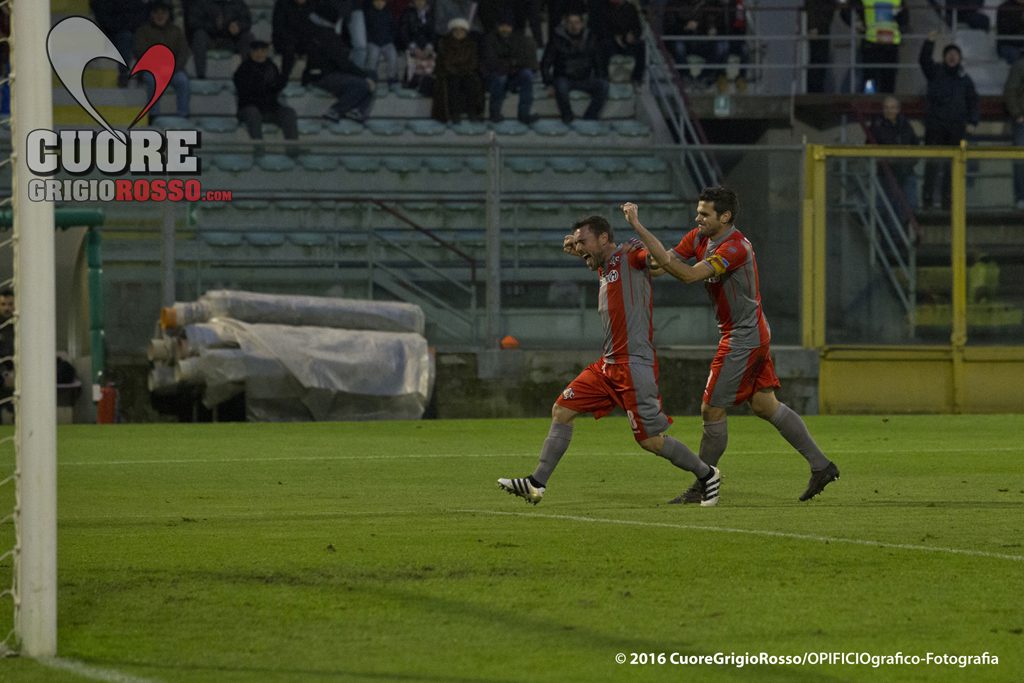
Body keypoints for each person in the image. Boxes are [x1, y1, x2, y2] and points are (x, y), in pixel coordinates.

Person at [622, 188, 840, 504]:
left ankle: (703, 484)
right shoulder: (699, 237)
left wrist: (639, 227)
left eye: (704, 214)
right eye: (698, 212)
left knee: (711, 409)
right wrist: (627, 257)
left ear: (724, 217)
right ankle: (822, 466)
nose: (697, 218)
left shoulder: (735, 247)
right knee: (765, 405)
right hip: (749, 332)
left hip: (743, 336)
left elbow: (688, 275)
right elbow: (660, 265)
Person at [497, 216, 721, 506]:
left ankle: (707, 475)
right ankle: (536, 483)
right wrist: (581, 250)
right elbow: (599, 259)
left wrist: (637, 224)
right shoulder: (605, 264)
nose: (578, 247)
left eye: (583, 241)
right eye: (577, 242)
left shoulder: (630, 253)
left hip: (634, 365)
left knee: (651, 441)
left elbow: (659, 260)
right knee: (562, 409)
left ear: (604, 238)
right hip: (607, 365)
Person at [919, 32, 978, 210]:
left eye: (955, 54)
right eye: (949, 54)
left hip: (956, 129)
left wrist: (973, 121)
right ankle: (927, 200)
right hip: (935, 127)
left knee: (953, 167)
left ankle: (948, 200)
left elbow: (973, 101)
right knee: (932, 164)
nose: (952, 57)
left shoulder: (965, 79)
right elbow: (923, 60)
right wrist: (929, 42)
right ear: (944, 57)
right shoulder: (935, 72)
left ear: (959, 58)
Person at [303, 0, 377, 122]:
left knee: (372, 75)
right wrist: (364, 77)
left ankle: (357, 111)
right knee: (364, 84)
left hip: (333, 72)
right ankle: (335, 110)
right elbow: (344, 64)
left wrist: (365, 76)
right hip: (324, 76)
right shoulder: (327, 36)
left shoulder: (327, 33)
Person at [541, 13, 609, 123]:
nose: (574, 26)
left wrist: (601, 76)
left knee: (604, 85)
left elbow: (598, 62)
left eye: (577, 22)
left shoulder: (590, 38)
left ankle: (590, 118)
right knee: (560, 87)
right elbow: (545, 63)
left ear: (582, 24)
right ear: (565, 25)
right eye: (570, 23)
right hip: (564, 77)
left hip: (585, 78)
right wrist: (548, 83)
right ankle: (568, 117)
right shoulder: (556, 39)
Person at [134, 1, 192, 119]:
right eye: (156, 13)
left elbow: (183, 52)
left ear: (168, 14)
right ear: (151, 14)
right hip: (151, 70)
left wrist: (173, 68)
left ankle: (183, 115)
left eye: (163, 13)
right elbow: (140, 52)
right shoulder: (143, 31)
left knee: (183, 81)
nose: (160, 16)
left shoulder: (176, 31)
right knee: (152, 81)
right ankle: (154, 115)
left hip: (174, 70)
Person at [233, 40, 299, 143]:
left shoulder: (272, 67)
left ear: (267, 52)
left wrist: (283, 78)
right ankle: (259, 148)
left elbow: (276, 89)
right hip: (249, 108)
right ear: (251, 52)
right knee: (253, 113)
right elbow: (245, 93)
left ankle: (293, 148)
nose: (259, 54)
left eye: (263, 51)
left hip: (270, 108)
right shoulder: (243, 69)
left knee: (289, 113)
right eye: (256, 50)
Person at [868, 95, 919, 223]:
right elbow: (869, 147)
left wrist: (909, 163)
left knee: (911, 204)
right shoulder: (876, 126)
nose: (889, 110)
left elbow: (916, 146)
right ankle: (894, 232)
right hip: (886, 173)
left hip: (906, 171)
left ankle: (901, 228)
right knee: (887, 208)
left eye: (892, 107)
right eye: (886, 107)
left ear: (898, 109)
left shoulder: (906, 125)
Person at [481, 12, 539, 123]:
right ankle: (495, 113)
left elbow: (524, 60)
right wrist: (512, 63)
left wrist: (511, 64)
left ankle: (524, 114)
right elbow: (491, 62)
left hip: (513, 74)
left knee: (527, 75)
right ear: (497, 26)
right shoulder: (489, 39)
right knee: (500, 78)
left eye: (508, 26)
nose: (505, 29)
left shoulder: (519, 39)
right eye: (502, 26)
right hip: (494, 76)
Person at [431, 18, 484, 122]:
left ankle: (472, 112)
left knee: (473, 82)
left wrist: (464, 70)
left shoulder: (471, 44)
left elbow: (473, 62)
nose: (459, 33)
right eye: (456, 30)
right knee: (454, 82)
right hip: (449, 72)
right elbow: (445, 62)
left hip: (466, 71)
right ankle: (455, 113)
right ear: (452, 31)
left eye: (462, 30)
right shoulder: (444, 43)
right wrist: (455, 71)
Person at [190, 0, 254, 80]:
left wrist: (239, 26)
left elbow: (247, 20)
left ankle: (249, 75)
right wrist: (213, 27)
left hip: (231, 40)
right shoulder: (202, 3)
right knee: (199, 35)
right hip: (210, 39)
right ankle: (200, 76)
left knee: (247, 36)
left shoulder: (237, 3)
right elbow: (193, 22)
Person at [397, 0, 436, 89]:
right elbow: (404, 32)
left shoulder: (430, 13)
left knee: (431, 59)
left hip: (426, 45)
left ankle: (426, 84)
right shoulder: (407, 13)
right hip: (412, 44)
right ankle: (412, 82)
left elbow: (433, 33)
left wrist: (429, 46)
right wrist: (413, 47)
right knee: (413, 60)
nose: (420, 2)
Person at [272, 0, 314, 80]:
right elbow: (278, 27)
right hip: (285, 39)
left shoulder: (313, 4)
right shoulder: (282, 4)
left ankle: (310, 77)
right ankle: (284, 77)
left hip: (305, 39)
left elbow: (314, 26)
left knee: (316, 45)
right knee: (289, 48)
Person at [364, 0, 400, 86]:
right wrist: (369, 40)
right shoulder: (368, 13)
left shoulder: (389, 12)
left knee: (393, 57)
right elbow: (365, 30)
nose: (380, 3)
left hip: (387, 42)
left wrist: (391, 39)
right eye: (377, 1)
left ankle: (391, 79)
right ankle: (371, 80)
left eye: (382, 1)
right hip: (373, 42)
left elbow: (394, 28)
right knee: (372, 57)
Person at [1005, 57, 1024, 210]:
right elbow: (1010, 90)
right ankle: (1021, 197)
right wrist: (1017, 114)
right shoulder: (1020, 66)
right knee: (1020, 159)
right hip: (1022, 122)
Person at [997, 0, 1024, 65]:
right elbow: (1005, 30)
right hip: (1009, 45)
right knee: (1016, 58)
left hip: (1020, 43)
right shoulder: (1005, 7)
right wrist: (1021, 20)